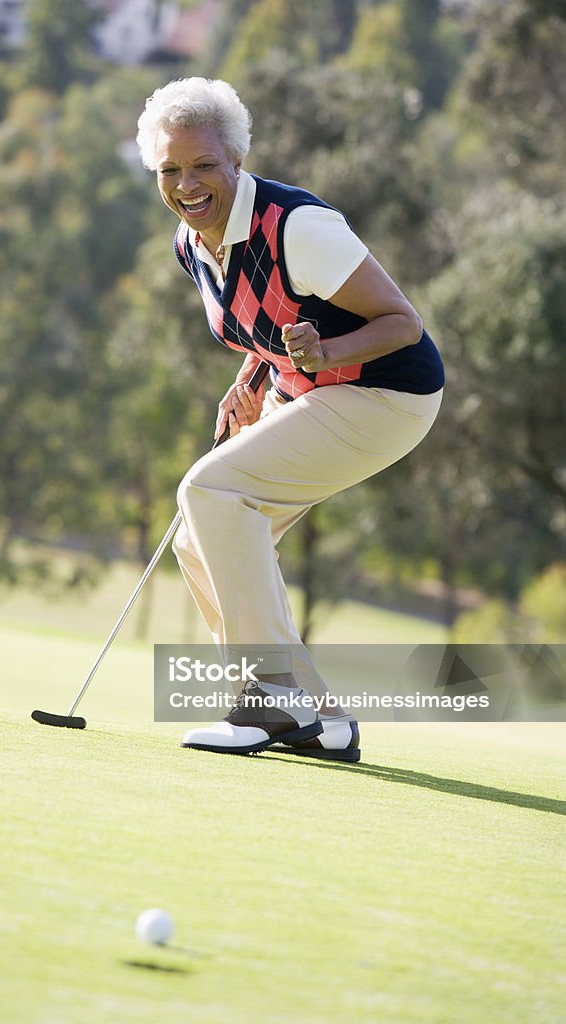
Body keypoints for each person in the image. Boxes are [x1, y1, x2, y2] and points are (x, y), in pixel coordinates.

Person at [136, 78, 444, 758]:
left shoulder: (297, 226)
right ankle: (322, 720)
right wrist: (247, 380)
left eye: (203, 165)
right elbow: (262, 325)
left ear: (236, 160)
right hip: (307, 389)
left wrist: (325, 350)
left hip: (386, 393)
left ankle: (267, 699)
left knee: (209, 490)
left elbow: (401, 323)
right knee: (199, 537)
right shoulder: (193, 245)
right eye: (169, 170)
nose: (186, 184)